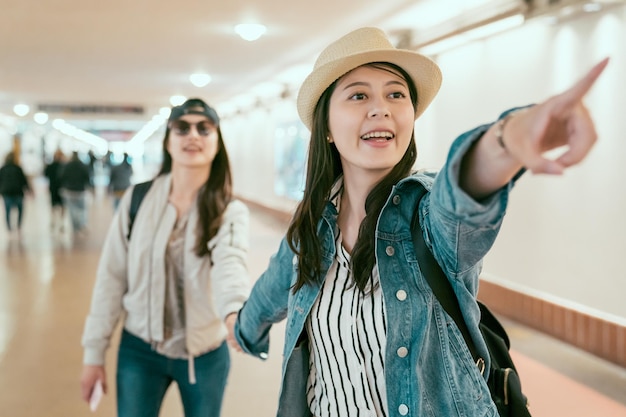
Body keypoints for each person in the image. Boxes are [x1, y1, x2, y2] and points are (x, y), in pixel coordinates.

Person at [226, 27, 609, 417]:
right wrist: (240, 328)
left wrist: (507, 139)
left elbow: (462, 197)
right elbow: (271, 290)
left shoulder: (426, 216)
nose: (382, 108)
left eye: (396, 94)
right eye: (359, 95)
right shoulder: (310, 229)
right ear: (325, 126)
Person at [80, 98, 250, 417]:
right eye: (182, 127)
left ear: (217, 142)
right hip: (139, 349)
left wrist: (234, 313)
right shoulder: (138, 199)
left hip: (205, 353)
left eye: (204, 128)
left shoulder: (229, 211)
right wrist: (94, 354)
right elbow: (111, 277)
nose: (193, 135)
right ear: (168, 141)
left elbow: (231, 265)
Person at [59, 151, 92, 235]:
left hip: (69, 191)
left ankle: (75, 228)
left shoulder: (67, 166)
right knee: (82, 210)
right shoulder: (82, 166)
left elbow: (62, 177)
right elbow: (87, 177)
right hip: (80, 191)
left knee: (72, 210)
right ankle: (82, 225)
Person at [0, 151, 31, 236]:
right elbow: (24, 181)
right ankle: (18, 227)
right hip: (18, 192)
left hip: (7, 193)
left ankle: (9, 229)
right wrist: (29, 190)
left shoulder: (3, 169)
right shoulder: (18, 168)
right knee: (20, 210)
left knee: (7, 211)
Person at [44, 149, 66, 231]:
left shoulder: (61, 166)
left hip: (57, 188)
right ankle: (56, 221)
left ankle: (58, 222)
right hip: (57, 188)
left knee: (59, 206)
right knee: (58, 206)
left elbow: (46, 174)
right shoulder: (62, 166)